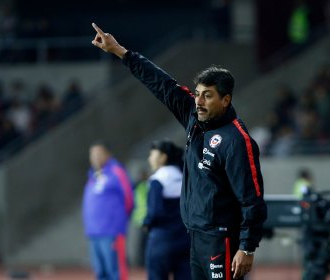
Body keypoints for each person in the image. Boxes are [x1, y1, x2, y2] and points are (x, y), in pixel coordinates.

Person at [91, 23, 267, 280]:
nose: (199, 102)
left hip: (221, 240)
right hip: (194, 238)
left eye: (207, 96)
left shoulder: (237, 140)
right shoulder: (193, 117)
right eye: (197, 94)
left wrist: (247, 247)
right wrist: (121, 52)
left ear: (226, 100)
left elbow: (252, 198)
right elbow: (162, 84)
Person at [82, 141, 134, 280]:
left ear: (108, 154)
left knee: (115, 273)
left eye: (99, 154)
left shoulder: (117, 172)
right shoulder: (92, 176)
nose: (95, 157)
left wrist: (119, 223)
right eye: (92, 154)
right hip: (94, 233)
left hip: (112, 232)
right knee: (101, 273)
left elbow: (129, 198)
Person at [143, 139, 191, 280]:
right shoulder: (184, 177)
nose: (149, 158)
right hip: (185, 239)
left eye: (152, 154)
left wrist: (147, 223)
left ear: (163, 157)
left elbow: (155, 212)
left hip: (162, 240)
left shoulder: (157, 180)